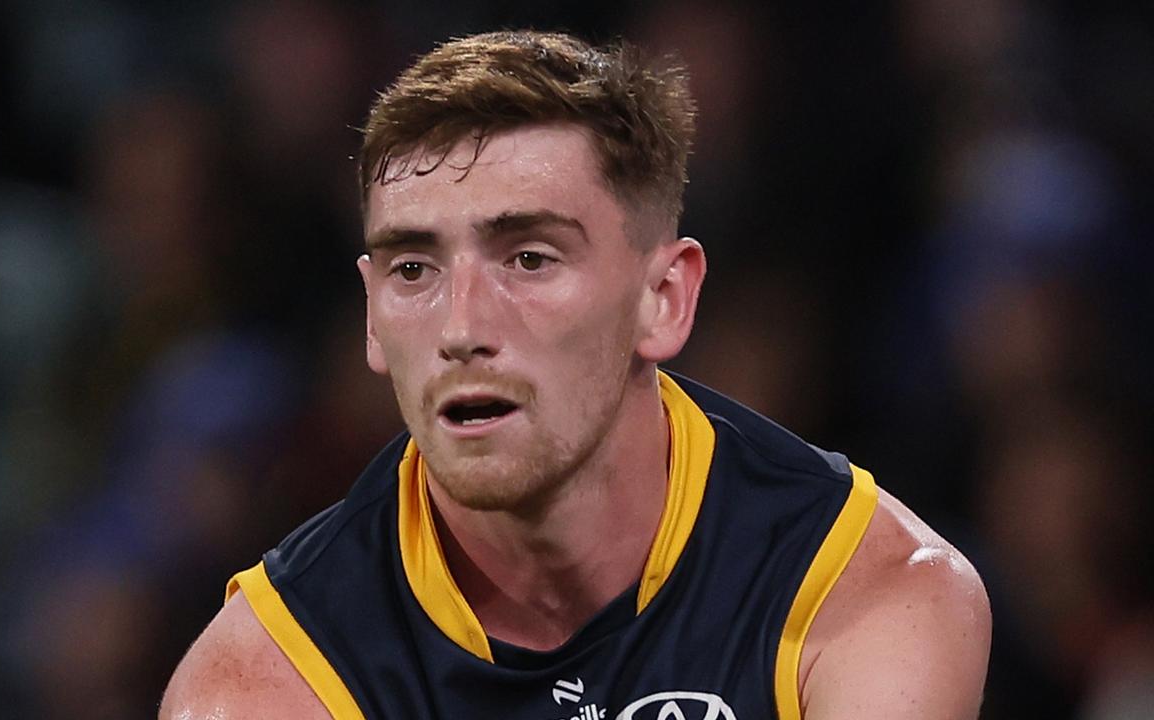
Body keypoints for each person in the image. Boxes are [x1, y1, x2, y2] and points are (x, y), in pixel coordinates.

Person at [160, 30, 990, 720]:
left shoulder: (867, 593)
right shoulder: (264, 682)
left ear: (663, 299)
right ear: (372, 316)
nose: (461, 329)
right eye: (414, 269)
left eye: (528, 257)